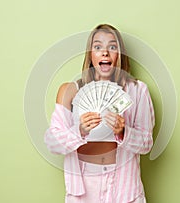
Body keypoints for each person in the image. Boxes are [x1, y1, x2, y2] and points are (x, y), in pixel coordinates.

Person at [44, 24, 155, 203]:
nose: (105, 53)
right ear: (90, 55)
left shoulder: (137, 90)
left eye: (112, 47)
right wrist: (79, 130)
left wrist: (123, 132)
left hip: (125, 190)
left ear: (120, 55)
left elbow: (146, 143)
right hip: (82, 191)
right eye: (98, 47)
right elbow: (52, 143)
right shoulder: (69, 91)